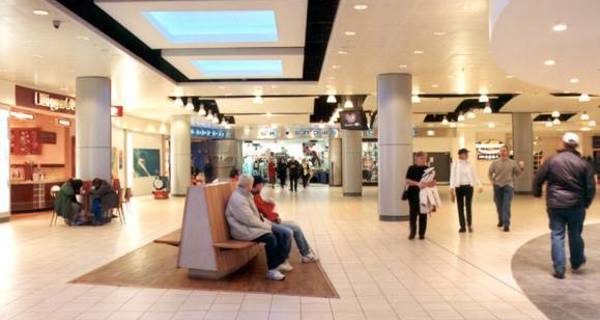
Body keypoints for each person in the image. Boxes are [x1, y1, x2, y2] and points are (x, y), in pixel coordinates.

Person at [533, 133, 596, 279]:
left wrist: (537, 193)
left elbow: (538, 178)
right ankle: (576, 262)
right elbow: (590, 186)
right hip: (576, 205)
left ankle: (559, 269)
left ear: (563, 143)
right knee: (575, 233)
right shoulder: (583, 163)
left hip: (555, 205)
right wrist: (586, 202)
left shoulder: (552, 160)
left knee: (557, 234)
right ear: (576, 145)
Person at [225, 174, 292, 281]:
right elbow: (249, 220)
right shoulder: (238, 199)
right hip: (241, 230)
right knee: (270, 237)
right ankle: (272, 270)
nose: (253, 186)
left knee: (277, 232)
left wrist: (267, 224)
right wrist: (267, 226)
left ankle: (278, 263)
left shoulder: (245, 195)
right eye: (251, 184)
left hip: (248, 227)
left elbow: (255, 217)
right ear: (248, 185)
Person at [252, 176, 319, 263]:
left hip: (269, 220)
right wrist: (275, 217)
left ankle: (306, 253)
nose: (263, 186)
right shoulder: (254, 197)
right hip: (268, 223)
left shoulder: (256, 195)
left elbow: (264, 210)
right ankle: (305, 254)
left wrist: (270, 205)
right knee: (295, 228)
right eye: (262, 184)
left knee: (294, 224)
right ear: (257, 185)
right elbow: (264, 212)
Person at [488, 146, 524, 232]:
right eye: (501, 151)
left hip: (508, 186)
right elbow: (489, 173)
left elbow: (518, 174)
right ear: (499, 153)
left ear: (507, 152)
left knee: (506, 205)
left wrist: (522, 167)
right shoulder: (495, 163)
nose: (502, 153)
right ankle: (501, 219)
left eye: (504, 151)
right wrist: (492, 181)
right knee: (499, 205)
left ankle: (506, 224)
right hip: (497, 186)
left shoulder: (513, 163)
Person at [450, 148, 482, 233]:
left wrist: (479, 185)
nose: (467, 155)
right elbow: (452, 177)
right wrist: (451, 189)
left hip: (469, 187)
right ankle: (462, 226)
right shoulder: (455, 164)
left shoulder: (470, 164)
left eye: (467, 153)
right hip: (459, 187)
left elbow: (474, 175)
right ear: (460, 155)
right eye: (465, 153)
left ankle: (469, 225)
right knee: (460, 207)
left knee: (468, 206)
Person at [405, 152, 436, 240]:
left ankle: (422, 233)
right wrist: (417, 184)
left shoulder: (428, 169)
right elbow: (407, 180)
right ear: (416, 159)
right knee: (413, 214)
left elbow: (434, 182)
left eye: (425, 158)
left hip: (424, 194)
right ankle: (412, 232)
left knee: (423, 213)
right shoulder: (411, 168)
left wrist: (426, 184)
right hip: (413, 194)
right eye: (422, 158)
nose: (424, 160)